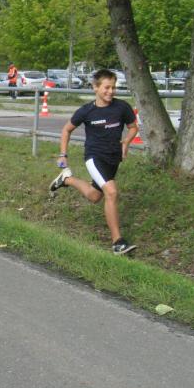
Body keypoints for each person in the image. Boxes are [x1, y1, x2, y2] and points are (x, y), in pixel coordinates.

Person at [49, 68, 139, 255]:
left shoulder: (122, 107)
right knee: (111, 192)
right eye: (106, 87)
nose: (111, 91)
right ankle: (117, 242)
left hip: (113, 158)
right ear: (95, 88)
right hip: (94, 157)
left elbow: (133, 127)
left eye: (113, 87)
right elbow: (66, 130)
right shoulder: (86, 111)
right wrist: (63, 154)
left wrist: (126, 142)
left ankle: (66, 179)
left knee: (94, 196)